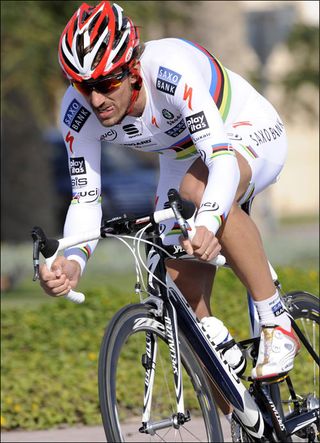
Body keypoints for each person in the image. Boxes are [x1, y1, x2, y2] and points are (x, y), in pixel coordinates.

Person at [39, 0, 300, 391]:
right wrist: (74, 261)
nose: (95, 100)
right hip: (181, 155)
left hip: (240, 131)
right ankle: (238, 407)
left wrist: (209, 222)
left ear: (132, 71)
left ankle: (276, 320)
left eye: (107, 83)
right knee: (183, 305)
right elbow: (85, 199)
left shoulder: (170, 72)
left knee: (198, 193)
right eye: (83, 85)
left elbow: (221, 160)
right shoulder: (77, 114)